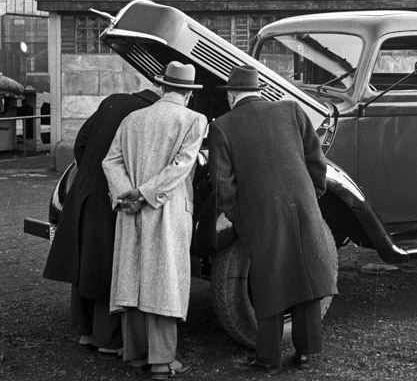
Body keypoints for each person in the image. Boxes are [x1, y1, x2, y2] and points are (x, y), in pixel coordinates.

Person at [207, 65, 337, 374]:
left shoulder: (222, 126)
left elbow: (222, 184)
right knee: (304, 275)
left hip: (260, 213)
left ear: (232, 95)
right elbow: (317, 160)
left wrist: (241, 218)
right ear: (259, 90)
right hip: (303, 203)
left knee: (269, 281)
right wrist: (312, 195)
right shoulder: (292, 109)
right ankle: (305, 354)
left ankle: (268, 358)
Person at [102, 61, 207, 380]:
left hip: (130, 210)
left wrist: (126, 195)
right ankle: (162, 362)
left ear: (162, 87)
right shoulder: (194, 119)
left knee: (133, 278)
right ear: (188, 93)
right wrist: (146, 194)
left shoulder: (133, 118)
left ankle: (135, 355)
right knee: (164, 282)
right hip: (167, 210)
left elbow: (111, 161)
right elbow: (181, 166)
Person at [43, 81, 162, 358]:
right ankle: (107, 339)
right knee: (108, 266)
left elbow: (81, 141)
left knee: (85, 262)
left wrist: (89, 175)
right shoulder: (149, 113)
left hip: (84, 190)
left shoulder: (114, 100)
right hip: (112, 196)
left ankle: (85, 332)